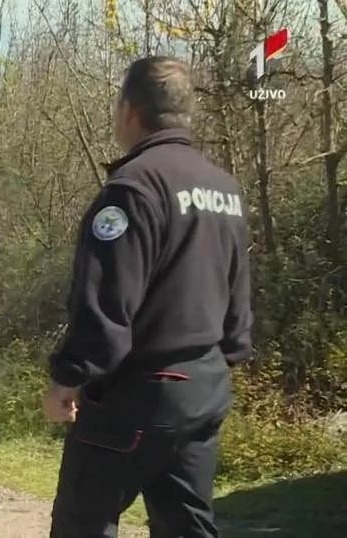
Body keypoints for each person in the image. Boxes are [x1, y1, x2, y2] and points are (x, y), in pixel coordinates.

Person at [43, 56, 253, 538]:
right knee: (186, 526)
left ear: (129, 110)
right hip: (204, 387)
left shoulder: (133, 188)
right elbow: (238, 295)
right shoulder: (224, 189)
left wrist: (68, 377)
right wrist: (225, 359)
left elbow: (107, 300)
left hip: (138, 391)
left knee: (82, 523)